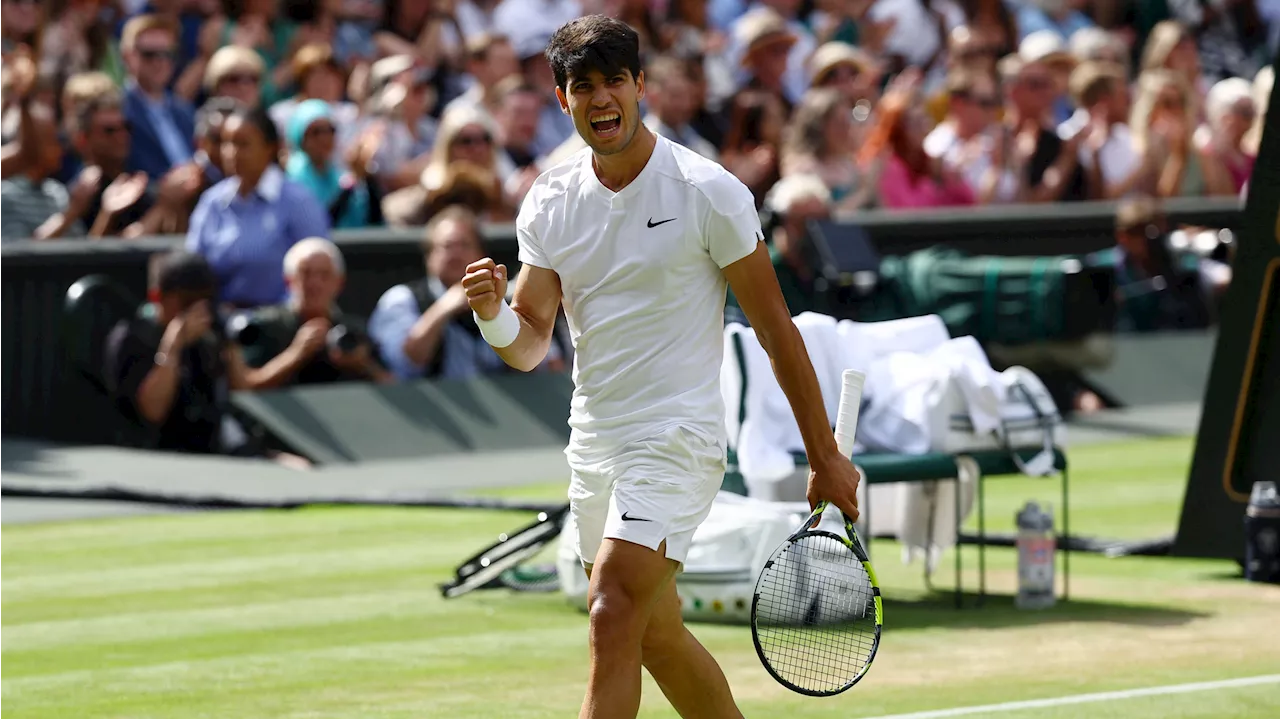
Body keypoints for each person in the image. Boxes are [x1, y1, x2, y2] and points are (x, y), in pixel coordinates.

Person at [460, 16, 861, 719]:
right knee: (655, 633)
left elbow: (777, 333)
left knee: (611, 610)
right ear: (563, 98)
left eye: (614, 80)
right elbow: (527, 346)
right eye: (583, 86)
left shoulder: (708, 191)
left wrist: (824, 454)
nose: (601, 98)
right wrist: (493, 314)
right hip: (596, 443)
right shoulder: (550, 202)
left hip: (677, 439)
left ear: (640, 85)